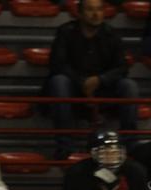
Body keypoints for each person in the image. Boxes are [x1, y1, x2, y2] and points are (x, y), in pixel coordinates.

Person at [44, 0, 138, 158]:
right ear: (79, 13)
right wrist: (82, 82)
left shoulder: (111, 34)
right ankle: (64, 146)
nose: (96, 14)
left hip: (104, 89)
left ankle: (130, 145)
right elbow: (57, 64)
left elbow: (122, 67)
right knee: (59, 81)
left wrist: (100, 80)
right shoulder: (66, 32)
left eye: (99, 9)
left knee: (129, 86)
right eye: (90, 10)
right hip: (73, 88)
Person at [64, 130, 148, 190]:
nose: (111, 156)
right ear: (93, 153)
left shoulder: (136, 171)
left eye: (115, 152)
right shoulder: (77, 172)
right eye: (105, 152)